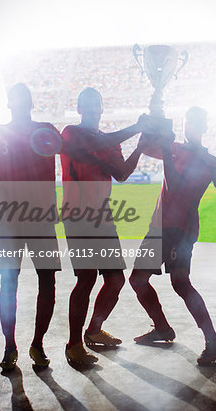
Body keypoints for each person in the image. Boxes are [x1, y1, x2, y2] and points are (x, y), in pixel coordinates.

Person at [0, 83, 63, 370]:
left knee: (33, 282)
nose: (21, 104)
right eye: (17, 100)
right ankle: (15, 346)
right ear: (12, 105)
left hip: (28, 219)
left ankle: (33, 345)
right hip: (16, 219)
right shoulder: (7, 132)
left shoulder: (40, 130)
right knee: (15, 283)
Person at [61, 87, 151, 365]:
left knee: (115, 279)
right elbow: (96, 146)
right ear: (78, 109)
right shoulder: (70, 133)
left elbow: (122, 173)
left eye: (95, 104)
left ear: (102, 109)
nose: (90, 109)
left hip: (102, 215)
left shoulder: (110, 141)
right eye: (86, 104)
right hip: (77, 215)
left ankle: (93, 331)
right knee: (86, 279)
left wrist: (140, 147)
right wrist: (137, 127)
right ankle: (73, 344)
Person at [129, 106, 216, 365]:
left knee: (180, 284)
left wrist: (167, 150)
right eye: (186, 121)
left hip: (177, 230)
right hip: (160, 226)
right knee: (138, 279)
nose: (188, 127)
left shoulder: (205, 161)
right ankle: (162, 327)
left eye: (194, 122)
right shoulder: (177, 149)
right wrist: (151, 123)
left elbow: (178, 185)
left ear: (203, 127)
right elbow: (144, 146)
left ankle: (212, 338)